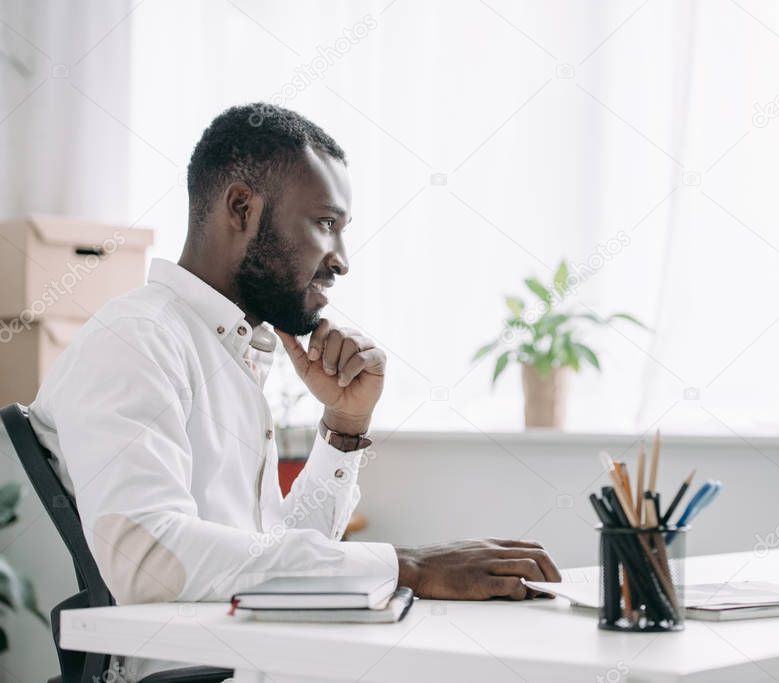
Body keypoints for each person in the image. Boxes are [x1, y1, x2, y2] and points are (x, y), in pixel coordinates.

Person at [29, 103, 560, 681]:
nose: (341, 261)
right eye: (325, 224)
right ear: (241, 208)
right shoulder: (136, 339)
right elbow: (149, 559)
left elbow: (274, 563)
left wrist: (344, 428)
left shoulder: (228, 351)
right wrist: (405, 566)